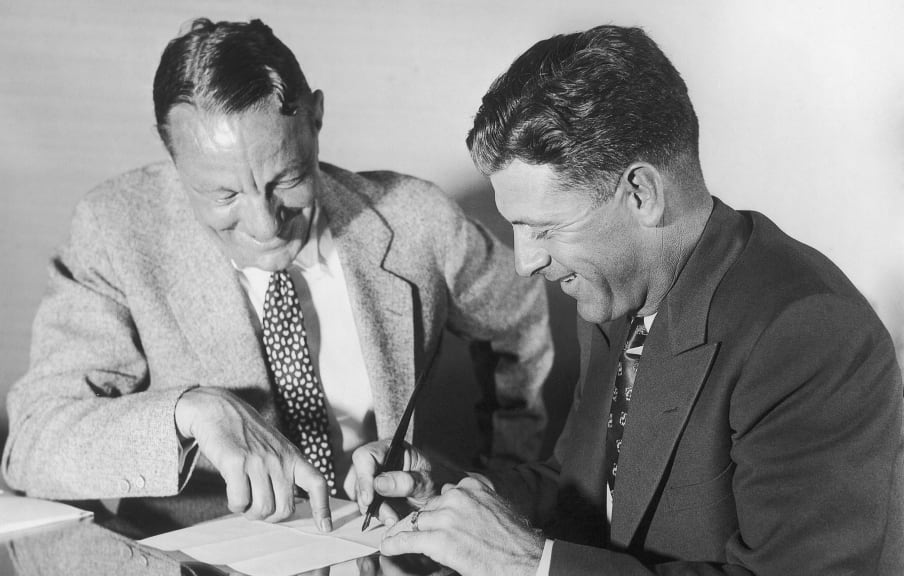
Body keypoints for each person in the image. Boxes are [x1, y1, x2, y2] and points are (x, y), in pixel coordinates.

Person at [352, 24, 904, 575]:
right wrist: (451, 503)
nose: (526, 262)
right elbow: (583, 488)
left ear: (641, 193)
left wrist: (528, 564)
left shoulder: (809, 333)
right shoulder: (617, 293)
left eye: (544, 228)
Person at [1, 18, 553, 534]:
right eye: (224, 195)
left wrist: (499, 485)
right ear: (172, 153)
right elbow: (32, 442)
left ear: (315, 118)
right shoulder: (115, 230)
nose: (265, 225)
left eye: (285, 179)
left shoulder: (417, 219)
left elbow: (519, 314)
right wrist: (191, 411)